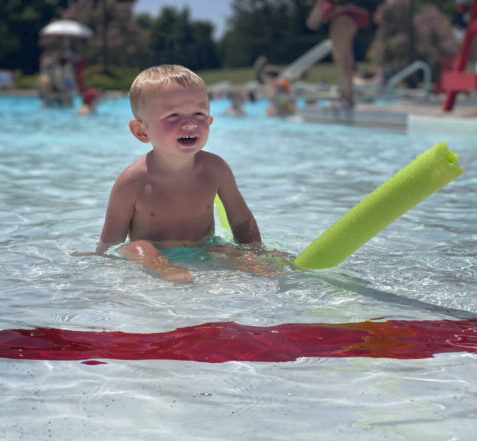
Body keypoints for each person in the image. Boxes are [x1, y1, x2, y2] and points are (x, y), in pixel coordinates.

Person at [73, 64, 272, 283]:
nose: (189, 123)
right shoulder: (132, 181)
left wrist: (255, 252)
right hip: (153, 254)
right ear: (141, 131)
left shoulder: (216, 169)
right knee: (138, 247)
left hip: (203, 248)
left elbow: (241, 220)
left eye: (199, 113)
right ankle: (165, 269)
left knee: (222, 248)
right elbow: (111, 242)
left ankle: (259, 268)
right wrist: (98, 258)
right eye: (173, 115)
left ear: (210, 121)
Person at [306, 0, 370, 110]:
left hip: (341, 19)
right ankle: (346, 96)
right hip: (349, 18)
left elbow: (312, 22)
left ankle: (346, 98)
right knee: (345, 58)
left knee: (342, 59)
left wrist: (313, 20)